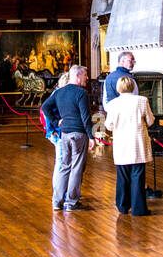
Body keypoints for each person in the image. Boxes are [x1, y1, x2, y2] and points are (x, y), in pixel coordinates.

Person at [41, 65, 95, 211]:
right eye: (85, 75)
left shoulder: (59, 92)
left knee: (64, 166)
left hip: (64, 133)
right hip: (78, 134)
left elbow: (45, 107)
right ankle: (71, 202)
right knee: (76, 167)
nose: (87, 78)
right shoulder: (81, 93)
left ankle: (56, 202)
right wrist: (91, 136)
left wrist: (55, 121)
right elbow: (86, 117)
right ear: (77, 76)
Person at [105, 75, 156, 216]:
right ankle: (139, 209)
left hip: (121, 143)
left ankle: (122, 206)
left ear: (118, 88)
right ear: (133, 87)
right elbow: (150, 120)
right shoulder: (142, 100)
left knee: (122, 176)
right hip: (138, 142)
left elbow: (109, 125)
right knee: (138, 176)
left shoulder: (113, 104)